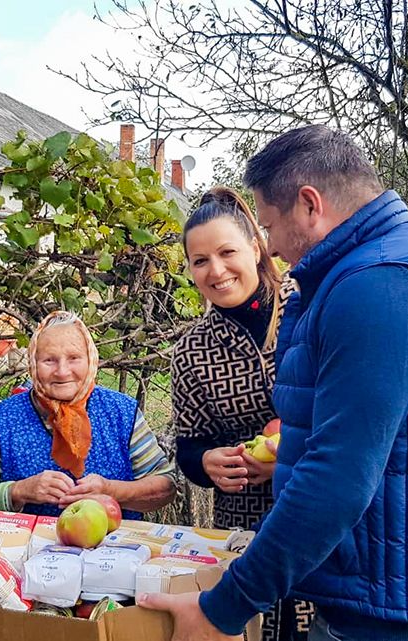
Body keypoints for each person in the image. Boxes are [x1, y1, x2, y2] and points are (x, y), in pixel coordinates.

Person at [139, 124, 408, 641]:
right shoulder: (383, 266)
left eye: (269, 227)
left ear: (310, 204)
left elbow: (337, 476)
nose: (272, 248)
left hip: (402, 612)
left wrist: (220, 611)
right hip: (387, 589)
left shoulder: (381, 285)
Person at [171, 186, 311, 641]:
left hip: (318, 507)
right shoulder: (192, 350)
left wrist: (287, 453)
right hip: (243, 524)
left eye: (227, 251)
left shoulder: (308, 308)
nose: (216, 270)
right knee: (252, 631)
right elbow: (189, 448)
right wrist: (207, 463)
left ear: (255, 246)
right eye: (200, 261)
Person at [0, 311, 177, 518]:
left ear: (90, 360)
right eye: (49, 360)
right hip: (27, 546)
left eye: (74, 358)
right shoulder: (5, 420)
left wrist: (111, 490)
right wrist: (18, 491)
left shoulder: (120, 413)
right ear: (33, 363)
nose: (62, 371)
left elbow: (165, 487)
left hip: (114, 547)